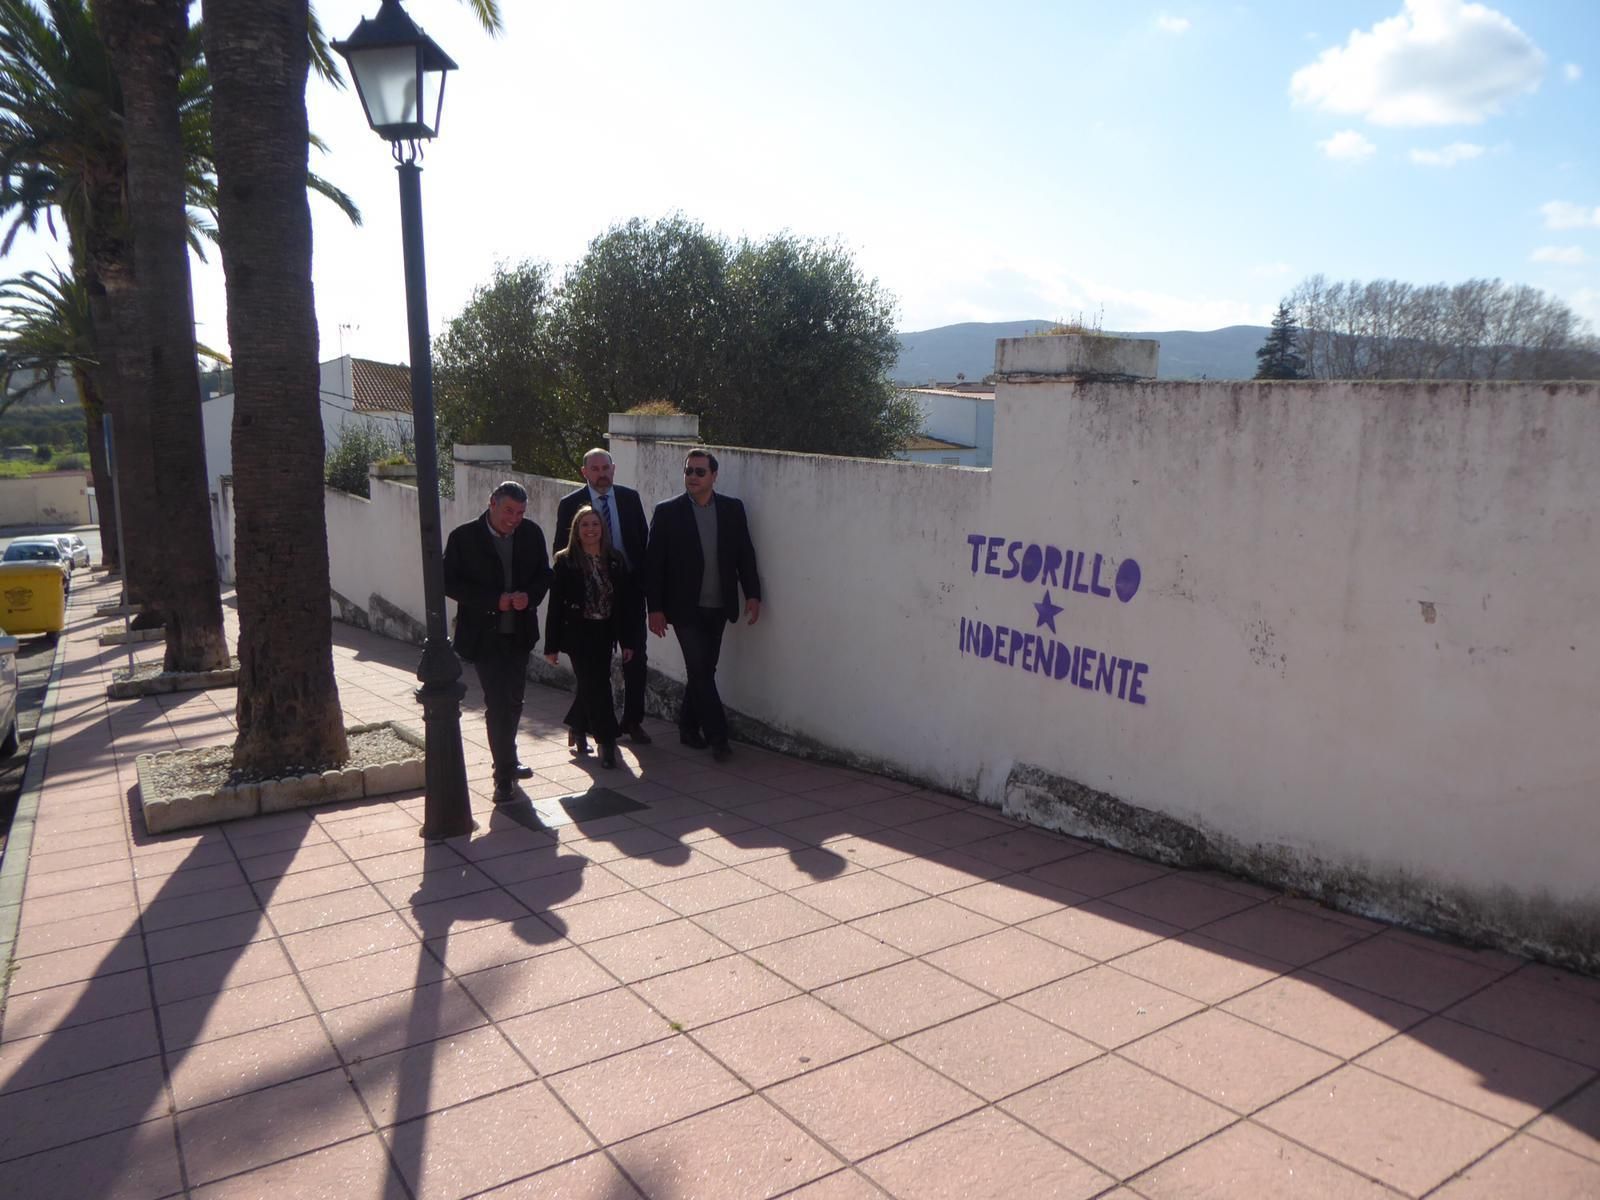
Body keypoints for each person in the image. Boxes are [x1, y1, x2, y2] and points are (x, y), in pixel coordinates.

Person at [644, 448, 761, 762]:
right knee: (699, 669)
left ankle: (686, 726)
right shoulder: (668, 512)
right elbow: (653, 564)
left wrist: (753, 594)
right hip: (684, 609)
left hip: (719, 606)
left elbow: (744, 555)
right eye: (688, 471)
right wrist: (653, 608)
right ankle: (718, 737)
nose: (692, 477)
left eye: (699, 471)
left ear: (714, 476)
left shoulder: (732, 509)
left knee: (703, 671)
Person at [443, 480, 552, 804]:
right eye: (508, 511)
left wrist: (528, 597)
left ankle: (508, 756)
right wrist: (495, 600)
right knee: (497, 702)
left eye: (520, 512)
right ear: (492, 503)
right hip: (483, 635)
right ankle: (502, 776)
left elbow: (544, 575)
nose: (514, 519)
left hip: (519, 633)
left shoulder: (531, 533)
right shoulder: (464, 537)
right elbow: (449, 582)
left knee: (514, 701)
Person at [553, 448, 652, 745]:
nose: (601, 473)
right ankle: (581, 722)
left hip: (628, 593)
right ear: (584, 473)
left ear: (614, 468)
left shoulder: (629, 498)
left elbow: (642, 543)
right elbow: (562, 549)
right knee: (593, 665)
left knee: (636, 658)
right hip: (590, 597)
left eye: (605, 467)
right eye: (594, 469)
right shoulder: (570, 504)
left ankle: (632, 721)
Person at [544, 507, 639, 769]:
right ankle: (606, 741)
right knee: (597, 686)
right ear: (576, 530)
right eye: (585, 525)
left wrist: (627, 641)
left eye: (595, 524)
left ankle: (577, 724)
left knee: (593, 683)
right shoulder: (566, 561)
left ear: (602, 528)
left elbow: (625, 605)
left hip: (605, 632)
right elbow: (555, 607)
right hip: (578, 633)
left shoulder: (615, 559)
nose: (590, 529)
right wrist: (550, 646)